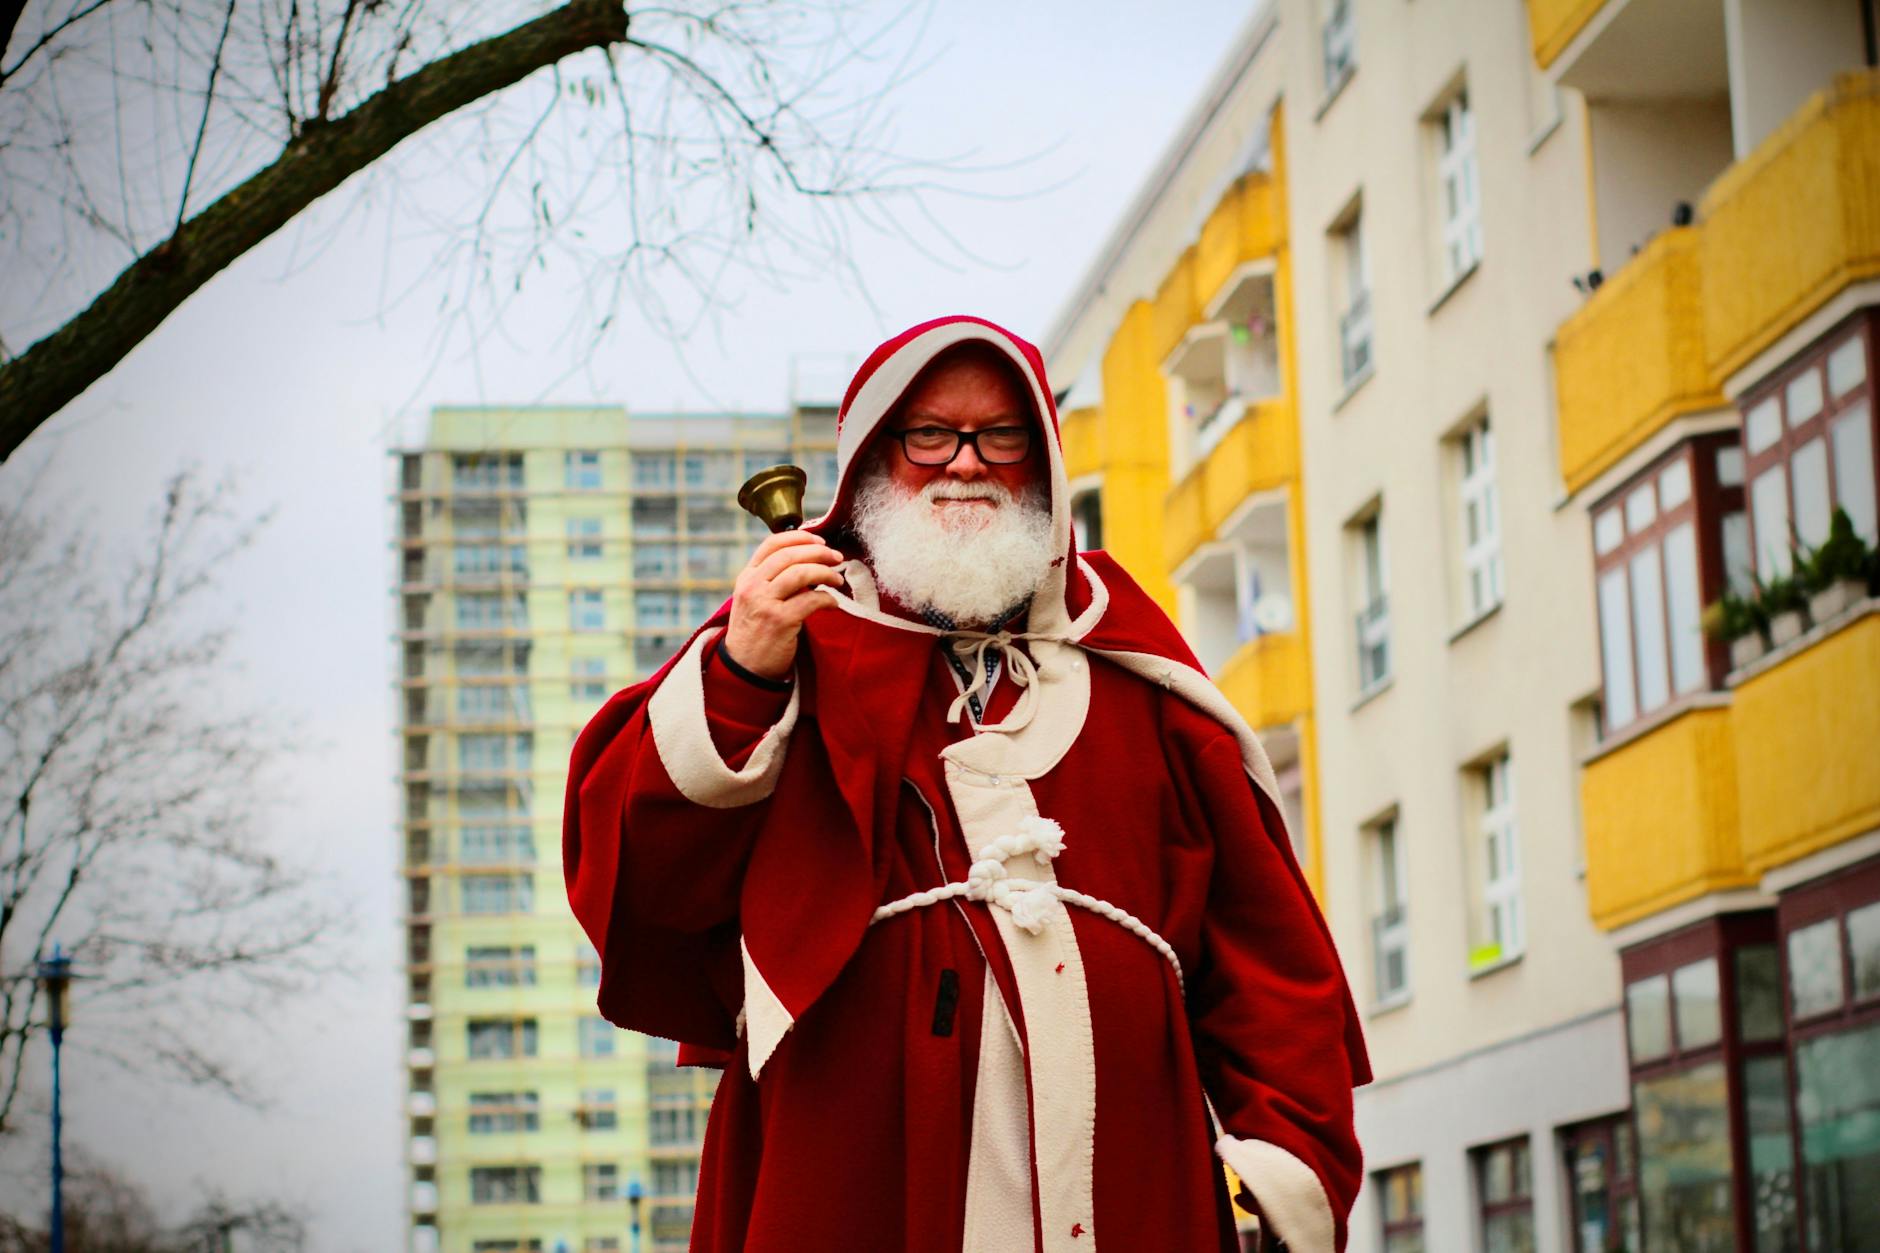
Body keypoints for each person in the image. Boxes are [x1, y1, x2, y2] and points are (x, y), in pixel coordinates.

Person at [564, 315, 1370, 1253]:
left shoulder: (1142, 680)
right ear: (870, 464)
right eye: (930, 435)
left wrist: (1267, 1186)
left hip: (1137, 1191)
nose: (966, 464)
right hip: (845, 1182)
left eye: (1001, 435)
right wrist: (743, 672)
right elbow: (645, 885)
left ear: (1043, 464)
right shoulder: (787, 653)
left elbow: (1271, 968)